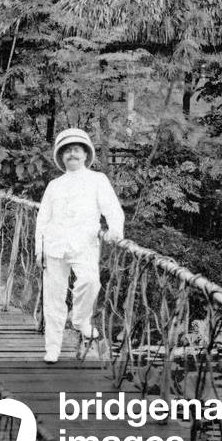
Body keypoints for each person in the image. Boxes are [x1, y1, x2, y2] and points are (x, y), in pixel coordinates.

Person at [35, 128, 125, 363]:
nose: (71, 155)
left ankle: (80, 319)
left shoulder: (98, 180)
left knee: (90, 281)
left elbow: (112, 209)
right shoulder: (54, 185)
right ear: (61, 157)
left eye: (76, 150)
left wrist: (115, 231)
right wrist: (39, 249)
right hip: (54, 246)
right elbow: (42, 220)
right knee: (53, 300)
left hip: (84, 244)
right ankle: (52, 348)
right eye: (67, 151)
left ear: (85, 154)